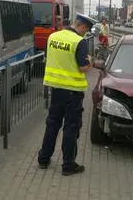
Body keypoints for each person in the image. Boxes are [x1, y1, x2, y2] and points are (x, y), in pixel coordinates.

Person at [38, 13, 95, 176]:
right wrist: (90, 61)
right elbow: (83, 67)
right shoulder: (79, 41)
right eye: (86, 30)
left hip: (55, 90)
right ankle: (68, 165)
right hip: (73, 93)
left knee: (52, 125)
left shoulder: (53, 37)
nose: (85, 33)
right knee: (71, 128)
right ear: (82, 27)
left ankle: (43, 159)